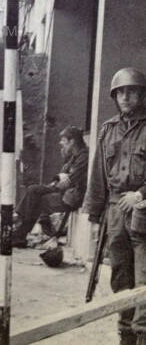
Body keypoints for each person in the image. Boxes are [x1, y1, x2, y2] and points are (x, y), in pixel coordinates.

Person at [84, 67, 146, 345]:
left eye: (131, 92)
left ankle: (143, 333)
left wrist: (141, 194)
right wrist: (94, 215)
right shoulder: (108, 130)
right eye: (120, 92)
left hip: (143, 210)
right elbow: (98, 176)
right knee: (120, 274)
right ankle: (126, 333)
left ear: (141, 95)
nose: (126, 97)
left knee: (144, 276)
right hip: (115, 211)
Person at [12, 125, 89, 247]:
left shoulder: (84, 156)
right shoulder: (74, 155)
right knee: (35, 196)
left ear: (72, 141)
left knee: (34, 191)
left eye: (64, 140)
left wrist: (57, 181)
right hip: (66, 191)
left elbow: (69, 180)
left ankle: (19, 223)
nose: (61, 143)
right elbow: (63, 175)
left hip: (73, 195)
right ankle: (20, 234)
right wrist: (60, 176)